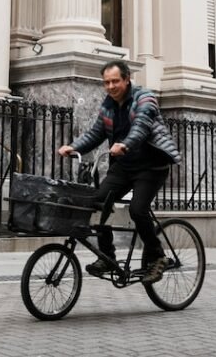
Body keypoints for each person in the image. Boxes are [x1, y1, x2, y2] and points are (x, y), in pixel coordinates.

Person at [58, 60, 180, 283]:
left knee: (138, 210)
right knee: (97, 202)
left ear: (127, 79)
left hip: (151, 166)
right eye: (106, 82)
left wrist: (125, 144)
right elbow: (96, 134)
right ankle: (107, 257)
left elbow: (141, 126)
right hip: (124, 167)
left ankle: (158, 257)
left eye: (115, 81)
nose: (111, 86)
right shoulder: (108, 106)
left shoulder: (145, 98)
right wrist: (74, 147)